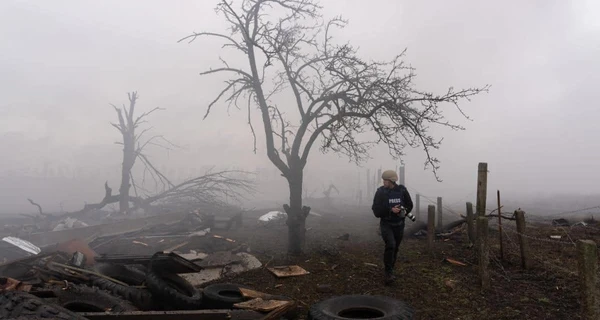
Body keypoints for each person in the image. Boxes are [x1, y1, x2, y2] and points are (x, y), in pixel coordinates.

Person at [371, 169, 414, 285]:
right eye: (383, 180)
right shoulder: (380, 192)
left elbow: (410, 205)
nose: (383, 182)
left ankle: (391, 268)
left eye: (385, 180)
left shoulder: (402, 190)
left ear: (391, 181)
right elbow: (376, 210)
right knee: (391, 245)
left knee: (395, 248)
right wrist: (390, 210)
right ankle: (388, 273)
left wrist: (402, 210)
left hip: (399, 224)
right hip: (386, 224)